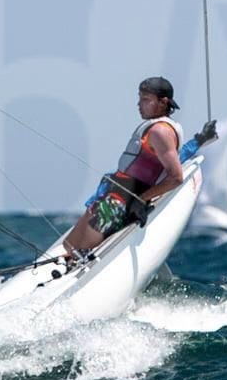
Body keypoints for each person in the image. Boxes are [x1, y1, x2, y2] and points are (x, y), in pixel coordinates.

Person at [63, 77, 213, 256]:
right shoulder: (153, 128)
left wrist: (141, 200)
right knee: (68, 245)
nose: (139, 104)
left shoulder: (160, 131)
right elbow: (175, 159)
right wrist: (199, 140)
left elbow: (175, 177)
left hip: (121, 203)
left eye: (145, 99)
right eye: (140, 98)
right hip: (111, 195)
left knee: (81, 252)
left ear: (163, 102)